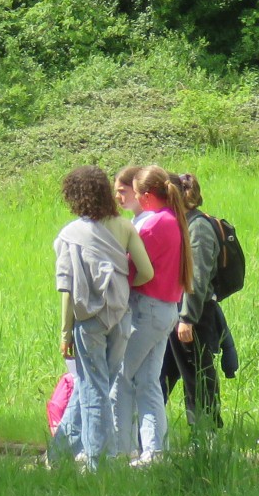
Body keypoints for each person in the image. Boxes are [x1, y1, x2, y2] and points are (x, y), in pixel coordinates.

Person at [53, 165, 133, 470]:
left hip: (88, 320)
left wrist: (64, 332)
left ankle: (100, 460)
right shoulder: (124, 226)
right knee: (97, 384)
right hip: (121, 315)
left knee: (93, 388)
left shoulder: (71, 234)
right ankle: (59, 452)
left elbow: (66, 288)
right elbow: (146, 271)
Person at [115, 165, 188, 467]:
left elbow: (131, 266)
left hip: (146, 308)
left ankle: (120, 449)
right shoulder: (173, 220)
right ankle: (154, 452)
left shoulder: (150, 225)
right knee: (148, 381)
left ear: (144, 196)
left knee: (120, 377)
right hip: (167, 309)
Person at [162, 172, 224, 430]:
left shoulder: (198, 227)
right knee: (160, 377)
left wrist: (187, 318)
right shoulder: (184, 224)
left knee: (198, 378)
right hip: (176, 313)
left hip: (194, 316)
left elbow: (196, 279)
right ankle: (146, 440)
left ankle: (206, 436)